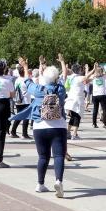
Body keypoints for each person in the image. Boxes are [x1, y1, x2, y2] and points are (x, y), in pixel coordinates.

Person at [15, 57, 68, 198]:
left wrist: (26, 66)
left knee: (43, 157)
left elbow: (27, 81)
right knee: (58, 155)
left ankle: (40, 184)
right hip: (58, 126)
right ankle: (58, 181)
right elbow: (63, 77)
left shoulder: (38, 90)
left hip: (40, 126)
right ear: (56, 77)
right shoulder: (60, 89)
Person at [62, 59, 91, 141]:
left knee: (73, 117)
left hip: (71, 99)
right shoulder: (78, 77)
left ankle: (68, 132)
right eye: (80, 69)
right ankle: (74, 134)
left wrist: (93, 74)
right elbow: (86, 78)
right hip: (77, 100)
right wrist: (93, 71)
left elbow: (87, 80)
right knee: (77, 117)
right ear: (78, 70)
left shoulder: (71, 77)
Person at [11, 66, 32, 139]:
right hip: (26, 100)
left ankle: (13, 131)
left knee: (19, 116)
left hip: (18, 100)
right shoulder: (26, 80)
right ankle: (24, 133)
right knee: (26, 117)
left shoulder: (17, 80)